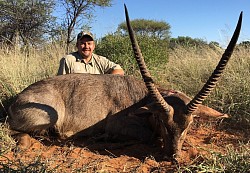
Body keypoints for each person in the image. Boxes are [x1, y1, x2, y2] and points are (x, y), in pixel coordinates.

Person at [57, 31, 125, 75]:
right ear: (77, 45)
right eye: (83, 43)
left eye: (89, 43)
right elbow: (60, 84)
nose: (86, 46)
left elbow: (119, 71)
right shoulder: (67, 60)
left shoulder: (100, 60)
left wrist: (105, 83)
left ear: (94, 46)